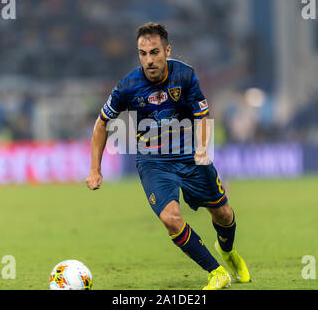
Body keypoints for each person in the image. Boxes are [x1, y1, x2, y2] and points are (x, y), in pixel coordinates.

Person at [86, 22, 250, 290]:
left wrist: (202, 147)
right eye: (143, 53)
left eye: (154, 52)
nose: (149, 60)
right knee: (170, 219)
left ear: (167, 50)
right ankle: (216, 271)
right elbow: (101, 123)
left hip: (189, 156)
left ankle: (229, 253)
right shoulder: (127, 86)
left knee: (223, 213)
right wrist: (95, 169)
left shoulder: (185, 76)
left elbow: (201, 114)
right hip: (154, 161)